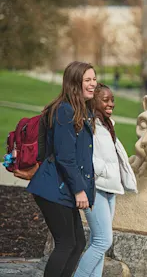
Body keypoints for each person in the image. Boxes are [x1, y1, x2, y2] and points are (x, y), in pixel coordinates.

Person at [27, 61, 97, 277]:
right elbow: (65, 158)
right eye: (88, 80)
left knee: (77, 243)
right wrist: (79, 190)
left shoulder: (81, 110)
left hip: (61, 187)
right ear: (75, 84)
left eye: (95, 79)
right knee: (67, 243)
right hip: (53, 187)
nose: (93, 84)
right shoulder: (64, 111)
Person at [74, 83, 137, 277]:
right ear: (94, 102)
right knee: (103, 241)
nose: (111, 104)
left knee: (98, 241)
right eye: (105, 100)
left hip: (110, 189)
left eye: (112, 99)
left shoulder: (108, 125)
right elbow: (84, 156)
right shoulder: (87, 125)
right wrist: (102, 172)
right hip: (96, 187)